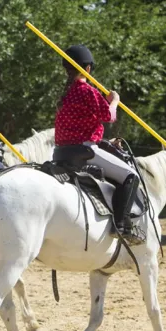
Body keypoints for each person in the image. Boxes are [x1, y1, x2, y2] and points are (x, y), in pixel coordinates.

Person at [54, 45, 140, 240]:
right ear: (88, 68)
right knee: (131, 176)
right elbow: (109, 116)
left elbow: (80, 127)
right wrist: (114, 100)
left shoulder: (66, 94)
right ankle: (121, 225)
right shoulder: (87, 91)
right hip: (84, 149)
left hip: (61, 152)